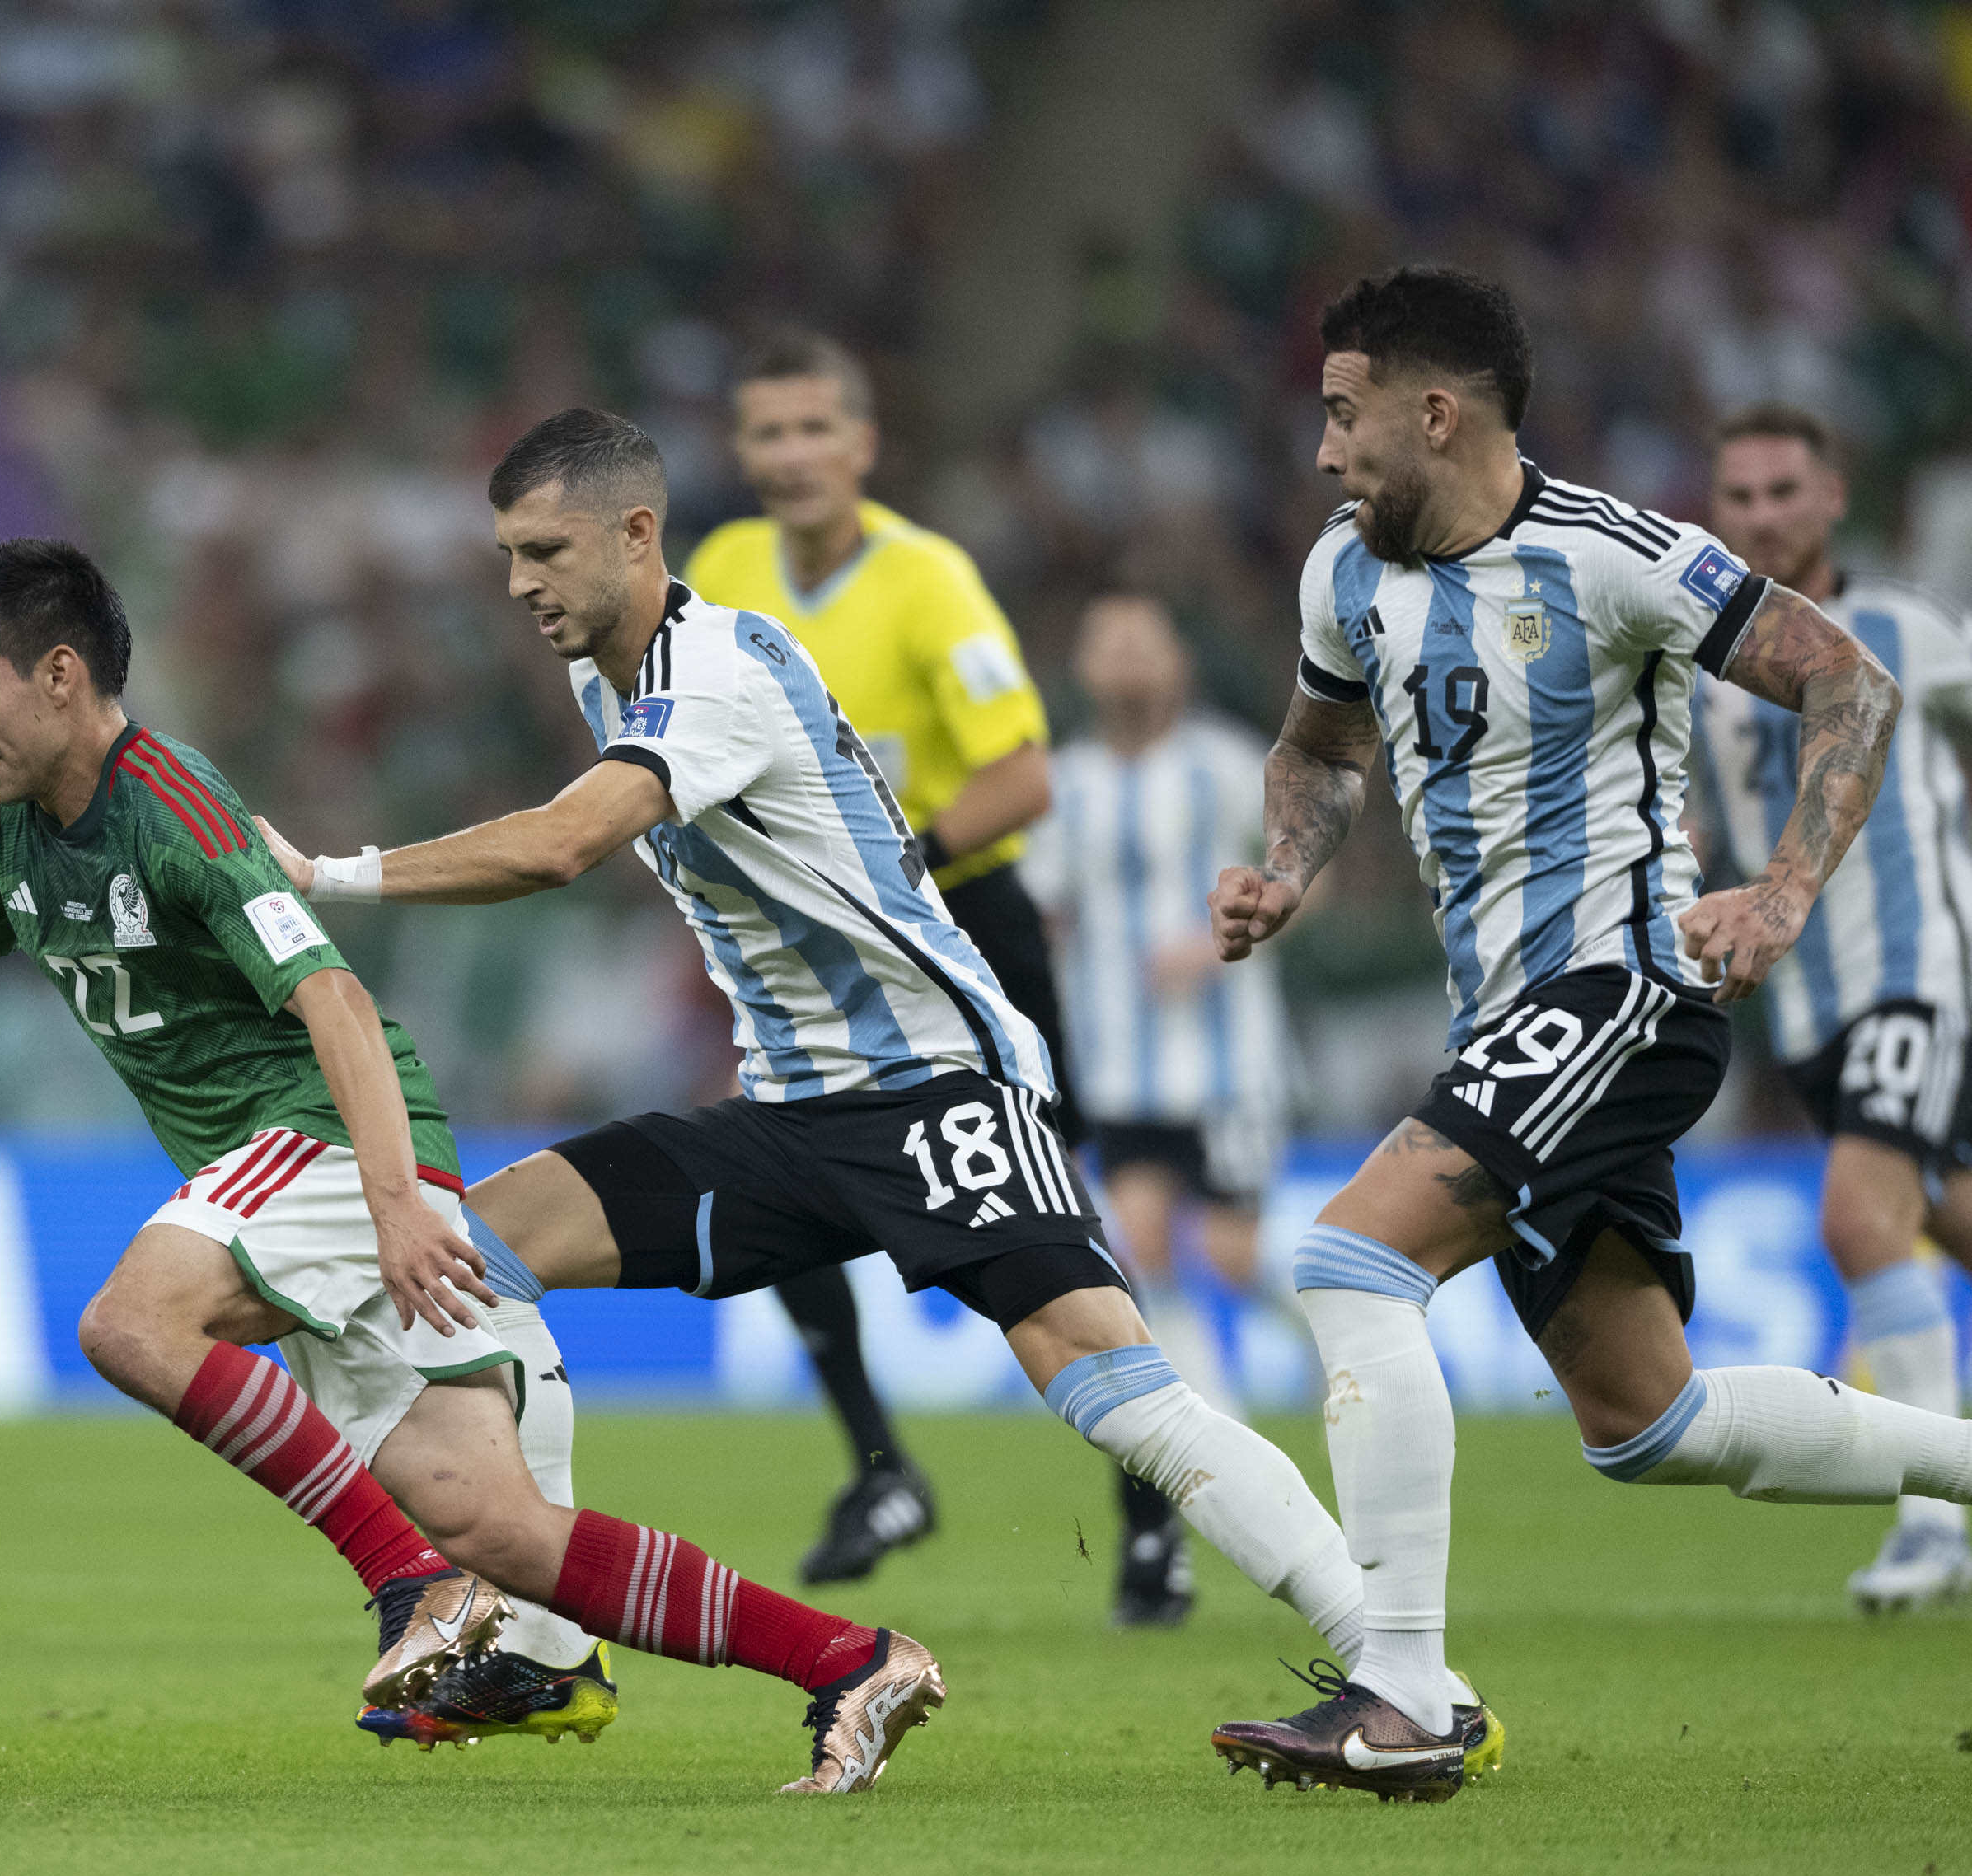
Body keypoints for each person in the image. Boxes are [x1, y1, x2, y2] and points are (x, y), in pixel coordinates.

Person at [257, 407, 1418, 1784]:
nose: (519, 582)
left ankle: (1401, 1671)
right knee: (473, 1251)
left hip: (935, 1087)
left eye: (544, 549)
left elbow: (563, 842)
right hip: (794, 1113)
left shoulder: (720, 669)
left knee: (1111, 1389)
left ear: (638, 534)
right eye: (506, 554)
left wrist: (326, 874)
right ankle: (551, 1645)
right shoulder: (607, 682)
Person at [0, 537, 944, 1793]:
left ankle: (412, 1590)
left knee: (130, 1323)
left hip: (327, 1137)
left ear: (60, 676)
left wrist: (394, 1202)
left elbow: (332, 998)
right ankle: (853, 1659)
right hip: (289, 1180)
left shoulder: (175, 811)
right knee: (495, 1522)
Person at [1206, 265, 1972, 1802]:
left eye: (1342, 413)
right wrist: (1281, 866)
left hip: (1616, 992)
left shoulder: (1617, 556)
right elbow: (1316, 744)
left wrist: (1778, 888)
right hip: (1507, 1014)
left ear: (1435, 413)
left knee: (1347, 1258)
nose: (1322, 451)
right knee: (1648, 1422)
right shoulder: (1340, 575)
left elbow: (1847, 679)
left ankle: (1406, 1692)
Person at [683, 332, 1103, 1593]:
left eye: (819, 428)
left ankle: (1146, 1502)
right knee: (782, 1196)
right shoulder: (722, 569)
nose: (795, 454)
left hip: (965, 929)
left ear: (863, 445)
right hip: (812, 954)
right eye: (770, 432)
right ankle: (881, 1467)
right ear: (743, 453)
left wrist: (897, 861)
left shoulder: (931, 580)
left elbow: (1022, 772)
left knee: (1056, 1215)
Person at [1693, 403, 1972, 1611]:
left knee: (1864, 1221)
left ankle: (1937, 1526)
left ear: (1833, 495)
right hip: (1799, 1002)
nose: (1762, 515)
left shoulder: (1908, 626)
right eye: (1741, 496)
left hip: (1915, 972)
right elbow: (1707, 811)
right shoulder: (1707, 656)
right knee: (1938, 1219)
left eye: (1782, 491)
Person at [1029, 595, 1292, 1500]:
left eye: (1145, 641)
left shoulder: (1226, 765)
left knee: (1227, 1254)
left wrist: (1231, 931)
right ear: (1084, 666)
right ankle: (1217, 1427)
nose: (1127, 660)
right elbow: (1047, 906)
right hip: (1115, 1063)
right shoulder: (1061, 781)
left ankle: (1352, 1326)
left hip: (1224, 1063)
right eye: (1109, 644)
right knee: (1135, 1252)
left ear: (1178, 661)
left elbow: (1305, 878)